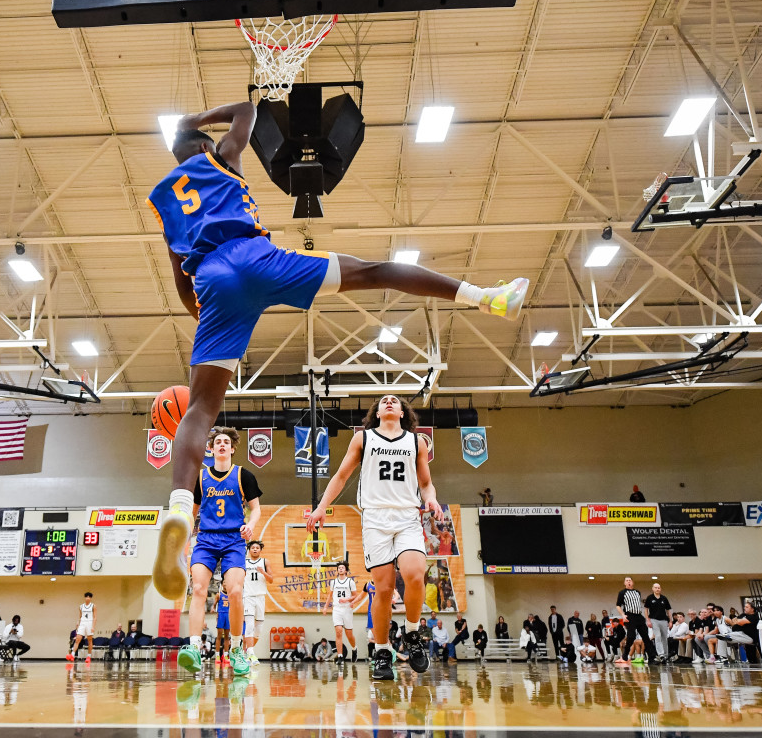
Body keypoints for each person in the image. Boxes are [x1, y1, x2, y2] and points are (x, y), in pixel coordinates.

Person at [149, 102, 530, 603]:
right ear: (202, 147)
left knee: (199, 410)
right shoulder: (219, 156)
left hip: (213, 280)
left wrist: (204, 315)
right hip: (258, 257)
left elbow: (181, 277)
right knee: (372, 271)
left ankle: (179, 508)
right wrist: (195, 121)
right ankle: (485, 297)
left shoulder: (165, 199)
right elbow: (247, 111)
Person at [307, 395, 442, 681]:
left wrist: (431, 500)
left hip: (407, 516)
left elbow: (426, 483)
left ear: (403, 413)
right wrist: (321, 507)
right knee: (383, 589)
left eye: (395, 401)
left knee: (416, 574)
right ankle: (382, 651)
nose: (390, 402)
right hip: (375, 519)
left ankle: (412, 633)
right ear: (377, 412)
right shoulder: (362, 439)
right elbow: (341, 476)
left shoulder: (416, 443)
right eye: (384, 401)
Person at [176, 426, 260, 676]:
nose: (222, 445)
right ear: (210, 449)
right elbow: (191, 514)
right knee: (199, 589)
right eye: (217, 442)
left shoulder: (244, 476)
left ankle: (236, 649)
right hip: (206, 539)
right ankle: (193, 648)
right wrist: (184, 541)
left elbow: (256, 509)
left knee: (235, 591)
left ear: (232, 449)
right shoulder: (200, 478)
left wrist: (251, 526)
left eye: (226, 442)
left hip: (234, 539)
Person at [243, 540, 273, 665]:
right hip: (248, 596)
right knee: (249, 626)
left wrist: (263, 572)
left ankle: (247, 652)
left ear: (260, 550)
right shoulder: (243, 562)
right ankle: (251, 654)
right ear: (249, 550)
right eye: (253, 548)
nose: (255, 549)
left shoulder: (265, 562)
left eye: (257, 548)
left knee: (258, 630)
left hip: (261, 597)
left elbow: (271, 580)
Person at [614, 576, 655, 665]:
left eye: (630, 580)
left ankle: (652, 658)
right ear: (624, 583)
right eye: (627, 581)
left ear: (632, 582)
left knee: (646, 637)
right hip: (630, 616)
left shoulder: (637, 592)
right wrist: (623, 615)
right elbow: (618, 605)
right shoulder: (622, 593)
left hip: (639, 616)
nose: (628, 582)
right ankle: (626, 653)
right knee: (631, 636)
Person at [329, 562, 359, 663]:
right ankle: (340, 656)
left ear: (346, 570)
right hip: (337, 609)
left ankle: (354, 648)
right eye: (339, 568)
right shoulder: (333, 582)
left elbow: (355, 595)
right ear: (337, 570)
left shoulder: (350, 582)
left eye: (342, 568)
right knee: (338, 632)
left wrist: (347, 600)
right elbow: (330, 595)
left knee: (349, 635)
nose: (340, 569)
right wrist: (325, 607)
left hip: (347, 609)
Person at [645, 583, 673, 663]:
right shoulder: (650, 598)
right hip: (654, 620)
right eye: (656, 587)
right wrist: (648, 620)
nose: (657, 589)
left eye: (659, 588)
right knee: (657, 636)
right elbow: (646, 609)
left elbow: (668, 610)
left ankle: (666, 655)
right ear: (653, 589)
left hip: (664, 620)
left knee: (664, 637)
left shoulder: (664, 598)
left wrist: (670, 621)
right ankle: (661, 654)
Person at [68, 592, 96, 663]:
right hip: (82, 623)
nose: (88, 598)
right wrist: (79, 623)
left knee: (90, 640)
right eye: (86, 597)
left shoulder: (93, 606)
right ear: (85, 598)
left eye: (89, 597)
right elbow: (80, 616)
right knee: (77, 639)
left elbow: (95, 617)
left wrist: (93, 626)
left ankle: (89, 656)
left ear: (91, 598)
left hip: (89, 623)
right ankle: (72, 655)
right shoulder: (81, 606)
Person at [214, 589, 232, 665]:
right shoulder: (219, 594)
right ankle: (217, 655)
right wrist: (215, 612)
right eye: (224, 582)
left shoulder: (231, 594)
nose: (225, 584)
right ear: (222, 584)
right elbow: (214, 605)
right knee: (219, 636)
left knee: (227, 637)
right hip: (221, 614)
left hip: (228, 615)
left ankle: (225, 655)